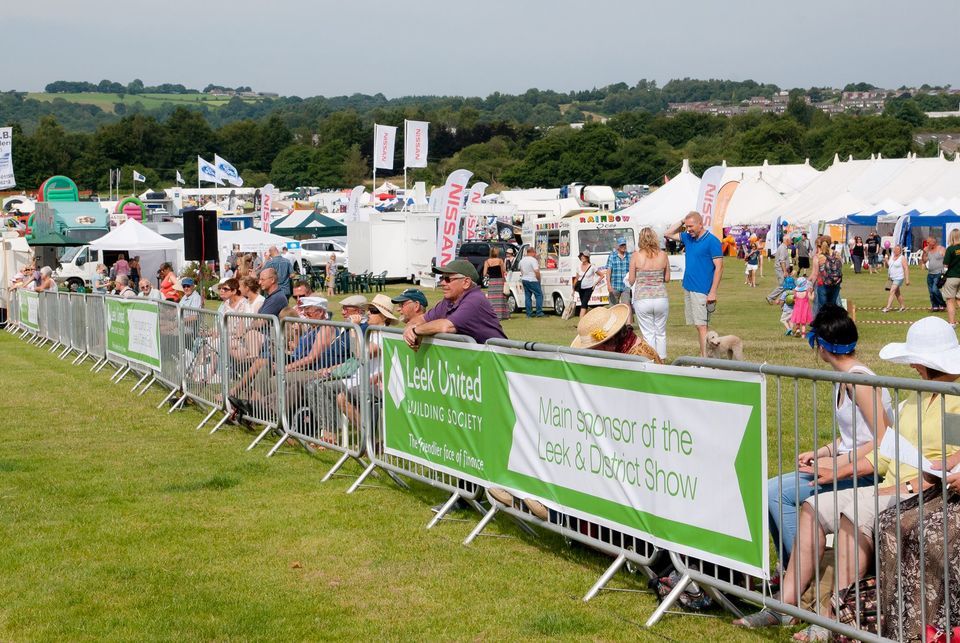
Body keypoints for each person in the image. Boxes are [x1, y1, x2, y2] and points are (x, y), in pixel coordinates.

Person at [737, 316, 958, 641]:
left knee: (852, 515)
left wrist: (912, 482)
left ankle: (834, 620)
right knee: (812, 507)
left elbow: (950, 458)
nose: (911, 366)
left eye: (915, 359)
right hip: (891, 484)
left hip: (921, 491)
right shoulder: (916, 397)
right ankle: (784, 607)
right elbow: (886, 449)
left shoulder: (954, 400)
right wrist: (835, 466)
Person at [763, 305, 893, 571]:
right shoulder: (844, 377)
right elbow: (856, 435)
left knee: (776, 494)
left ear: (820, 346)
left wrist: (839, 464)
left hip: (866, 471)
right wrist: (822, 451)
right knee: (770, 489)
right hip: (849, 464)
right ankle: (790, 569)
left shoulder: (858, 382)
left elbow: (883, 440)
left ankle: (802, 575)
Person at [403, 259, 506, 347]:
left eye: (447, 279)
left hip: (499, 363)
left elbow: (446, 327)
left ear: (466, 282)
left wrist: (415, 331)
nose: (442, 283)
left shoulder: (475, 300)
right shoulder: (448, 301)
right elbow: (422, 318)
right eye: (442, 278)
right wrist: (409, 327)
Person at [665, 211, 723, 358]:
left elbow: (719, 267)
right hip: (689, 287)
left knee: (702, 326)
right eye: (687, 226)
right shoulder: (688, 237)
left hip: (702, 289)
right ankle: (705, 356)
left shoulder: (712, 241)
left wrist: (713, 292)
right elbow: (668, 233)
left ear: (700, 224)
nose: (688, 229)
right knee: (699, 326)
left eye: (691, 226)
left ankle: (706, 360)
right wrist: (682, 221)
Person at [627, 226, 670, 360]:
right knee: (661, 332)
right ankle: (661, 359)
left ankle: (651, 360)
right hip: (660, 297)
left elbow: (631, 280)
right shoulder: (663, 255)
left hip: (643, 298)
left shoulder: (636, 256)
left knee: (648, 333)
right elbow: (667, 279)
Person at [482, 247, 510, 321]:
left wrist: (489, 275)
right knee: (501, 298)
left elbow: (484, 273)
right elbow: (503, 271)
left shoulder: (487, 262)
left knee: (492, 298)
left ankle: (493, 315)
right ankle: (503, 315)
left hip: (492, 281)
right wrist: (504, 279)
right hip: (499, 280)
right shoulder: (500, 260)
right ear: (496, 253)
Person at [603, 236, 632, 305]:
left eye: (624, 245)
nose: (623, 246)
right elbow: (608, 272)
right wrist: (609, 285)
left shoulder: (629, 256)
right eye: (621, 245)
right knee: (613, 307)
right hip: (614, 286)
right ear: (617, 246)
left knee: (626, 307)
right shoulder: (612, 256)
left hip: (626, 287)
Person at [921, 235, 947, 312]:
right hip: (930, 274)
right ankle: (935, 306)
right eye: (927, 242)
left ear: (934, 242)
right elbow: (924, 260)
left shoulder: (941, 249)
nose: (927, 244)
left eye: (928, 242)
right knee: (931, 292)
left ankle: (942, 304)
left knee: (935, 290)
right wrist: (924, 252)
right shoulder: (928, 250)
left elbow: (947, 260)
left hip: (939, 273)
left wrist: (945, 272)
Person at [881, 244, 910, 313]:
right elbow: (889, 266)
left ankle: (888, 307)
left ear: (900, 251)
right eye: (895, 249)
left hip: (899, 277)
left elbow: (906, 268)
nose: (896, 251)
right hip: (891, 278)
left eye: (898, 249)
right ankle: (903, 307)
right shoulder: (891, 257)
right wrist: (886, 260)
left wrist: (907, 279)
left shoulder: (902, 258)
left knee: (892, 291)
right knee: (897, 293)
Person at [572, 250, 599, 318]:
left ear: (587, 257)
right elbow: (576, 278)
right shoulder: (578, 267)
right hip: (581, 288)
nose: (582, 257)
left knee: (583, 304)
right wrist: (573, 290)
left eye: (584, 256)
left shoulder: (592, 267)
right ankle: (586, 320)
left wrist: (595, 283)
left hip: (589, 288)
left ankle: (580, 321)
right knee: (584, 304)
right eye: (581, 256)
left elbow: (601, 275)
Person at [518, 247, 543, 318]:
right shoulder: (533, 260)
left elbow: (521, 270)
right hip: (533, 279)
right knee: (539, 295)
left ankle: (529, 313)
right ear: (532, 252)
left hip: (524, 279)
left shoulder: (522, 260)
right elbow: (536, 271)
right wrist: (538, 279)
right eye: (535, 252)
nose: (535, 254)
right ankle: (539, 312)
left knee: (527, 297)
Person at [942, 228, 960, 327]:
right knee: (959, 300)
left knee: (950, 300)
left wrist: (942, 275)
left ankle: (952, 323)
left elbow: (945, 265)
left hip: (952, 277)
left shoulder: (950, 249)